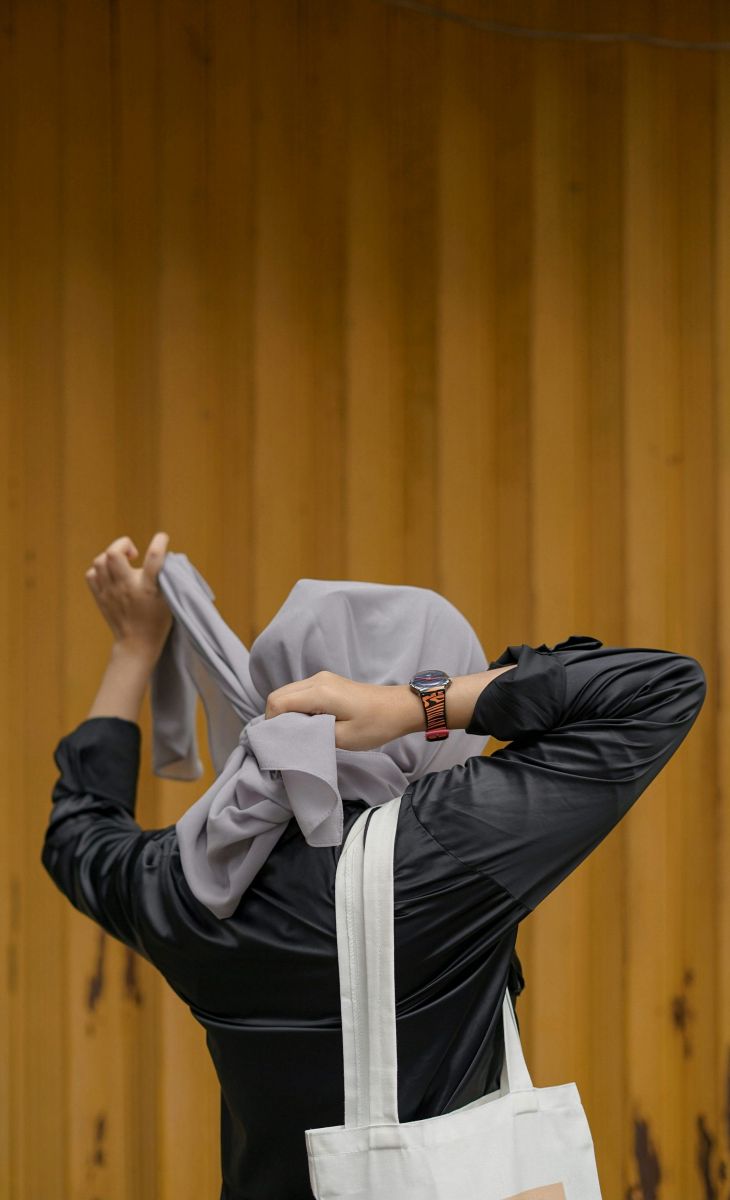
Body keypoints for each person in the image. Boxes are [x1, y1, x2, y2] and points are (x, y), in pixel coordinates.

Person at [41, 533, 707, 1200]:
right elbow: (661, 687)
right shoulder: (442, 844)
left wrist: (135, 647)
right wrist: (419, 706)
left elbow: (77, 832)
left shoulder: (193, 874)